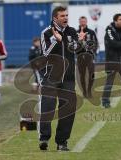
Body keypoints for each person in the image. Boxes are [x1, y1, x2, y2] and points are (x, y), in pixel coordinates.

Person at [39, 6, 86, 151]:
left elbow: (76, 50)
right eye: (62, 16)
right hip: (51, 77)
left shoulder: (72, 31)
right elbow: (45, 52)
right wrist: (56, 39)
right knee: (48, 108)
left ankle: (62, 142)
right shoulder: (46, 32)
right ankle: (44, 138)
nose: (65, 18)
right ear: (55, 18)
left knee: (68, 109)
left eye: (66, 15)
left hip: (69, 77)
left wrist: (81, 42)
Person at [77, 16, 98, 98]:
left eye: (84, 21)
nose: (83, 22)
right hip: (80, 56)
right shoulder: (76, 32)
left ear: (86, 22)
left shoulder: (91, 32)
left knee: (92, 74)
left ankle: (89, 91)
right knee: (82, 75)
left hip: (90, 56)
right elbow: (74, 45)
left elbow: (95, 43)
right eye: (81, 21)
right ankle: (84, 92)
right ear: (79, 22)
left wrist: (93, 52)